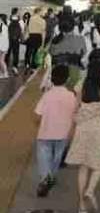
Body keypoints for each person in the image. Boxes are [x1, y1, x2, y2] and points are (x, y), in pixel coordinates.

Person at [66, 48, 100, 213]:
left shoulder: (82, 83)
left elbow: (76, 106)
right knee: (99, 164)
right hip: (99, 126)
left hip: (83, 125)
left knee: (83, 166)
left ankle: (81, 206)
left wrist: (74, 123)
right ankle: (90, 190)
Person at [34, 63, 77, 197]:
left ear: (52, 78)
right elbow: (75, 115)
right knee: (57, 157)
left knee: (44, 156)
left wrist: (38, 124)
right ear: (67, 79)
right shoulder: (71, 96)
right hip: (63, 133)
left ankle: (44, 178)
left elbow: (37, 114)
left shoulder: (47, 95)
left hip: (45, 132)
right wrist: (72, 131)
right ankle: (51, 176)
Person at [49, 15, 87, 88]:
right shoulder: (80, 39)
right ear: (73, 26)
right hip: (74, 74)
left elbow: (51, 54)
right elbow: (84, 53)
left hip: (57, 75)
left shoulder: (55, 40)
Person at [8, 8, 21, 74]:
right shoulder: (18, 21)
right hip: (16, 40)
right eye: (18, 11)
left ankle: (6, 66)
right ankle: (14, 67)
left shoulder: (9, 20)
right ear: (16, 12)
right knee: (15, 53)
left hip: (9, 39)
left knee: (8, 53)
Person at [0, 13, 8, 78]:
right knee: (1, 60)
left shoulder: (2, 26)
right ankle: (3, 73)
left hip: (2, 46)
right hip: (4, 46)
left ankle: (5, 73)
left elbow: (2, 37)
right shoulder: (5, 26)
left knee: (1, 61)